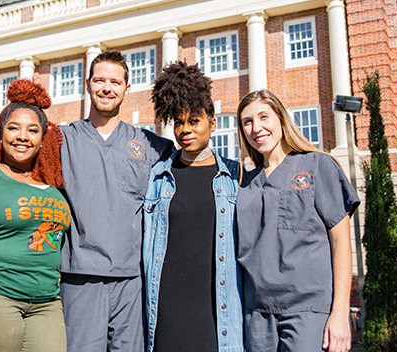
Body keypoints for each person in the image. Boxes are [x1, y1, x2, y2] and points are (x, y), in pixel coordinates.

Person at [59, 50, 174, 352]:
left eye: (115, 82)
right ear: (87, 84)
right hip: (79, 277)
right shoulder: (62, 141)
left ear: (127, 89)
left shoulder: (153, 146)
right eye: (99, 80)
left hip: (131, 278)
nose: (106, 88)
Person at [236, 89, 360, 352]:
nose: (256, 128)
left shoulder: (317, 165)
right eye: (247, 122)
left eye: (263, 117)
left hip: (307, 310)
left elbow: (340, 242)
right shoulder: (243, 184)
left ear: (281, 119)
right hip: (256, 315)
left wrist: (339, 313)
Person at [142, 61, 243, 352]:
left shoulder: (234, 177)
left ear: (212, 123)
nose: (185, 129)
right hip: (167, 301)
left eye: (194, 121)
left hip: (216, 301)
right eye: (179, 122)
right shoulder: (159, 177)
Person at [0, 79, 68, 352]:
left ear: (42, 139)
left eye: (32, 130)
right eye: (13, 128)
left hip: (47, 302)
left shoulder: (55, 187)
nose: (22, 136)